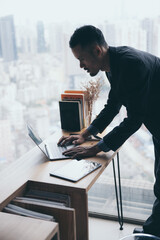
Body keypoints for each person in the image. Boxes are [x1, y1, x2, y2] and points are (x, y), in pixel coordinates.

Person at [58, 25, 160, 237]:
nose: (81, 65)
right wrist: (86, 134)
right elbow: (113, 105)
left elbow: (133, 121)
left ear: (97, 50)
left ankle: (153, 233)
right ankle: (154, 231)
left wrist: (96, 148)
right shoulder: (114, 64)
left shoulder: (131, 64)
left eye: (82, 59)